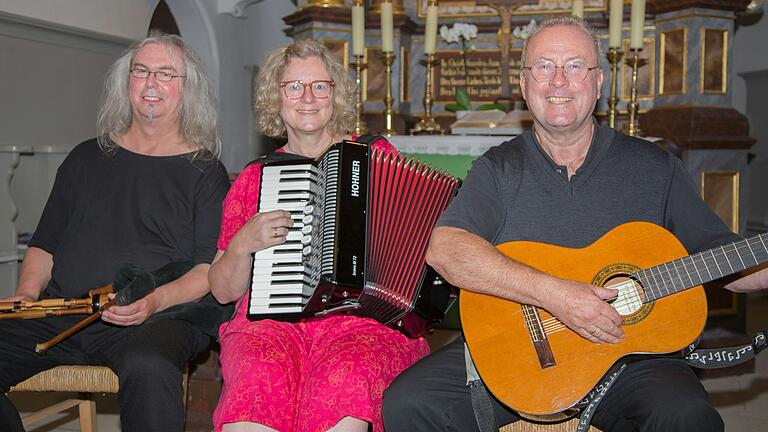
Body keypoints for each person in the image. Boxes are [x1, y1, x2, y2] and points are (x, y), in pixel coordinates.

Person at [382, 15, 768, 432]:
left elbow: (721, 259)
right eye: (544, 67)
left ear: (598, 82)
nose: (559, 82)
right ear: (525, 85)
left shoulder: (656, 167)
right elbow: (446, 249)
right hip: (522, 353)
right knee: (408, 404)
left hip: (635, 363)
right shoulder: (498, 168)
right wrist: (557, 296)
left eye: (575, 66)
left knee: (687, 417)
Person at [0, 32, 231, 432]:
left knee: (149, 366)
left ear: (187, 88)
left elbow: (205, 270)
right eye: (140, 71)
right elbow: (44, 244)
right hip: (64, 311)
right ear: (127, 83)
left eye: (165, 73)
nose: (150, 82)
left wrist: (154, 302)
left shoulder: (204, 171)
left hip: (157, 320)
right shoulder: (85, 157)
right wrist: (26, 296)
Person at [208, 39, 430, 432]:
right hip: (273, 325)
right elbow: (223, 292)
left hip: (360, 321)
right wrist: (243, 244)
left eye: (319, 86)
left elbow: (410, 246)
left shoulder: (375, 158)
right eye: (293, 86)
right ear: (275, 99)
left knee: (345, 376)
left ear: (335, 94)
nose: (307, 97)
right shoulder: (253, 179)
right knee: (256, 376)